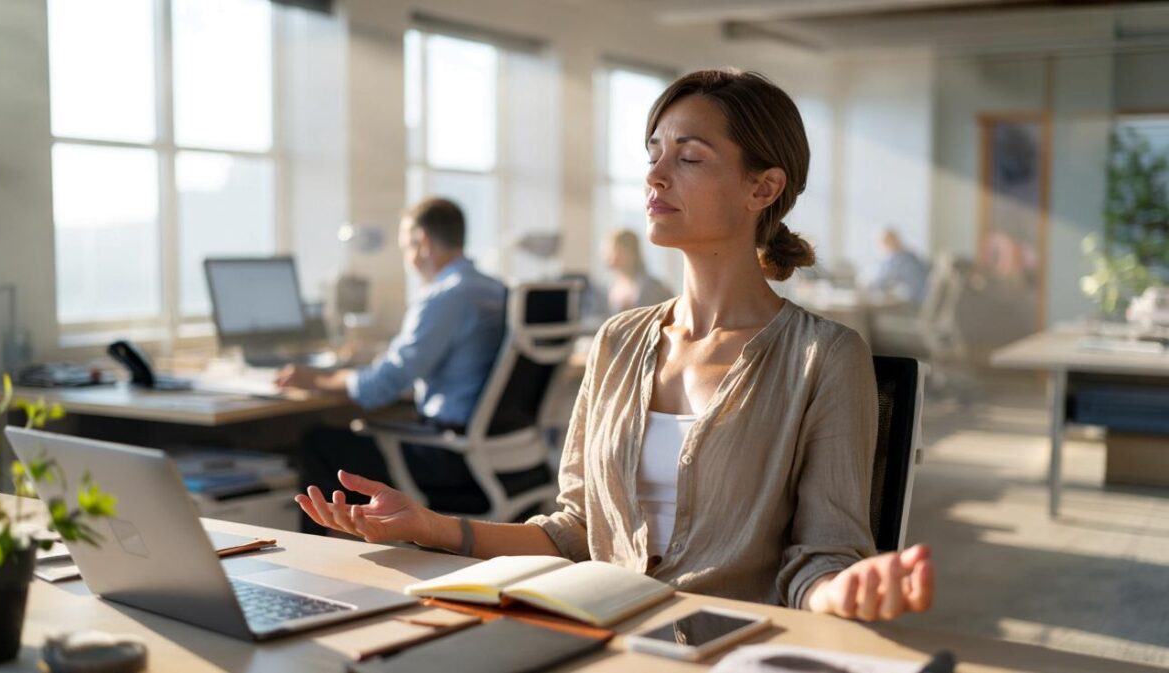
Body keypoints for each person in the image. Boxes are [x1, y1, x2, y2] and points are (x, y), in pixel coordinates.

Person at [296, 69, 934, 622]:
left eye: (688, 157)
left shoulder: (823, 357)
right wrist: (430, 528)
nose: (654, 175)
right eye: (653, 152)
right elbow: (576, 532)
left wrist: (843, 592)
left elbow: (823, 558)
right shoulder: (619, 340)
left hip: (719, 649)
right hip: (599, 631)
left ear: (762, 188)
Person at [277, 197, 507, 531]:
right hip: (496, 453)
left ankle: (319, 567)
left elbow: (384, 385)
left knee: (317, 443)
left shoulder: (444, 295)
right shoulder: (495, 289)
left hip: (448, 458)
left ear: (422, 243)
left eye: (405, 248)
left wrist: (320, 380)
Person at [604, 229, 674, 314]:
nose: (611, 256)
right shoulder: (612, 286)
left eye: (617, 251)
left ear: (632, 253)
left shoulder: (652, 287)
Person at [869, 228, 930, 305]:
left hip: (915, 304)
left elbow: (878, 284)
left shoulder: (899, 260)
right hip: (924, 303)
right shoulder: (910, 256)